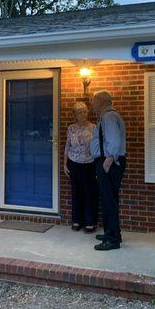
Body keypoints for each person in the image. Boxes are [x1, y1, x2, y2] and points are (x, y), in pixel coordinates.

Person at [90, 90, 127, 251]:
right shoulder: (108, 117)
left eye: (94, 102)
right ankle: (112, 233)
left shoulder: (109, 117)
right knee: (109, 200)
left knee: (108, 200)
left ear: (102, 102)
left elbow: (114, 140)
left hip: (109, 163)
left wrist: (107, 162)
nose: (92, 105)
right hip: (108, 162)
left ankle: (112, 240)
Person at [64, 102, 98, 233]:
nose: (82, 114)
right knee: (76, 192)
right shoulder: (71, 128)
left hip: (89, 163)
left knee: (90, 193)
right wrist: (64, 163)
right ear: (75, 115)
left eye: (84, 111)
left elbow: (97, 146)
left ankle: (90, 222)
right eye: (79, 112)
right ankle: (77, 220)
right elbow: (67, 146)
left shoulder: (93, 127)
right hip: (74, 163)